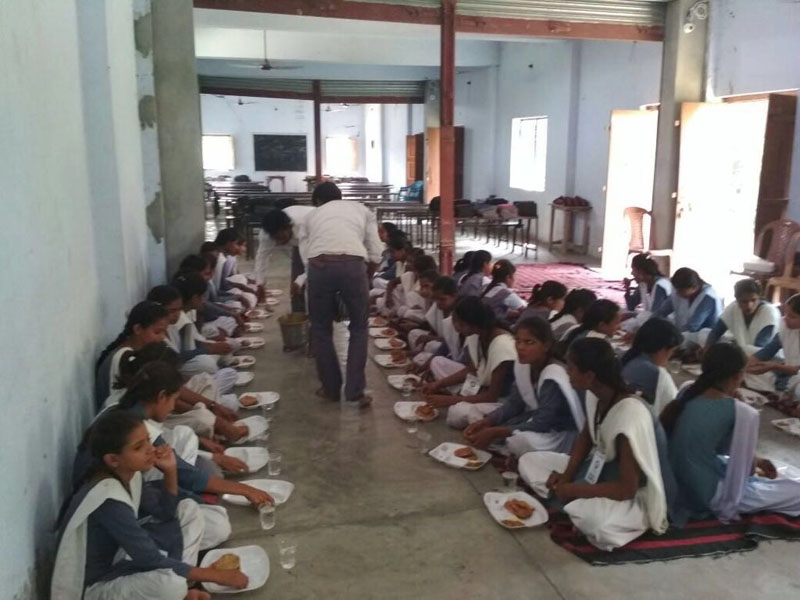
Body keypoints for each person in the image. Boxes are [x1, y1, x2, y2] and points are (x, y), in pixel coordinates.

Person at [52, 411, 247, 600]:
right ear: (113, 460)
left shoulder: (131, 475)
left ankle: (183, 585)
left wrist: (170, 471)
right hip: (98, 585)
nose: (150, 449)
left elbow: (166, 513)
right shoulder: (108, 499)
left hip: (124, 560)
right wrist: (215, 575)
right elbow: (149, 558)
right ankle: (181, 587)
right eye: (139, 447)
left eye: (148, 440)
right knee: (170, 585)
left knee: (188, 509)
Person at [518, 338, 668, 551]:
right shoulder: (596, 395)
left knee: (594, 522)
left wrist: (574, 489)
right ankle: (571, 501)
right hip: (597, 473)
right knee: (529, 461)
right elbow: (586, 437)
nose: (567, 373)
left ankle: (577, 505)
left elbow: (627, 489)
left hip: (632, 495)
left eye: (571, 369)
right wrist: (566, 476)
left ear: (589, 376)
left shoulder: (630, 414)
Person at [663, 343, 800, 522]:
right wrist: (753, 461)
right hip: (706, 494)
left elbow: (712, 445)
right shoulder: (742, 412)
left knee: (726, 463)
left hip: (672, 483)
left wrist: (757, 459)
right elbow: (747, 472)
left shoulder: (687, 389)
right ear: (737, 376)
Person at [297, 181, 383, 406]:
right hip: (353, 264)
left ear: (317, 201)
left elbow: (306, 253)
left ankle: (330, 388)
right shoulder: (362, 210)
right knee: (359, 327)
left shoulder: (311, 216)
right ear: (340, 196)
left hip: (319, 265)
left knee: (320, 329)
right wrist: (367, 274)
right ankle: (355, 392)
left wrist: (312, 275)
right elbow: (376, 250)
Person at [462, 317, 584, 455]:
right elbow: (514, 404)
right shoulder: (523, 366)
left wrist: (497, 431)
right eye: (518, 341)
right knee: (471, 415)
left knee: (518, 442)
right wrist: (488, 421)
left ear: (546, 346)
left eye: (529, 342)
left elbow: (543, 422)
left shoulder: (553, 374)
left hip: (555, 433)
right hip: (530, 418)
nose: (520, 347)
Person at [422, 297, 517, 428]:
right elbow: (471, 370)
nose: (456, 328)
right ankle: (462, 397)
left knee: (457, 412)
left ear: (473, 323)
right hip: (480, 386)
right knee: (437, 361)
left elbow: (492, 396)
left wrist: (449, 400)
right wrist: (438, 384)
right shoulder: (476, 334)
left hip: (500, 399)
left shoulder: (503, 345)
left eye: (460, 324)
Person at [95, 302, 170, 409]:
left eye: (164, 332)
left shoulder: (136, 353)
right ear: (138, 329)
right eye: (157, 332)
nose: (162, 337)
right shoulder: (125, 358)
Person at [255, 204, 315, 312]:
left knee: (317, 280)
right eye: (275, 239)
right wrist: (260, 283)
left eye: (280, 237)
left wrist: (300, 281)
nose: (278, 243)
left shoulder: (305, 224)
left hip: (317, 238)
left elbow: (313, 264)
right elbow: (261, 258)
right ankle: (298, 314)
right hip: (299, 242)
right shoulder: (266, 234)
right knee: (296, 283)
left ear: (288, 227)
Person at [621, 318, 683, 415]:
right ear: (662, 349)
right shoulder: (655, 373)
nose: (670, 356)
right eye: (672, 351)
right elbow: (673, 407)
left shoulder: (627, 358)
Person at [705, 278, 779, 354]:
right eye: (744, 301)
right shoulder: (733, 307)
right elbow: (716, 332)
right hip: (743, 353)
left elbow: (760, 347)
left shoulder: (769, 312)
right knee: (704, 334)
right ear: (737, 300)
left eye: (753, 300)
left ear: (759, 297)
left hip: (764, 356)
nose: (749, 306)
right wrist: (706, 350)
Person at [652, 267, 722, 348]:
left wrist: (671, 337)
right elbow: (662, 311)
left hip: (704, 342)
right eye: (676, 290)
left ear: (694, 287)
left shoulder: (708, 297)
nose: (677, 293)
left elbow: (693, 326)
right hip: (683, 336)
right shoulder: (678, 292)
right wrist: (651, 325)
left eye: (681, 291)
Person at [747, 293, 800, 398]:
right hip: (785, 370)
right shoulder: (785, 326)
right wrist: (745, 365)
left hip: (795, 376)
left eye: (792, 316)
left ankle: (782, 390)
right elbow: (768, 350)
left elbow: (797, 370)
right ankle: (780, 389)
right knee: (746, 351)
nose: (786, 319)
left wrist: (774, 366)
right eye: (785, 314)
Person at [407, 276, 462, 373]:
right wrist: (421, 348)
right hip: (444, 349)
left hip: (457, 358)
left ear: (454, 296)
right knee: (416, 337)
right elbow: (433, 329)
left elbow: (452, 343)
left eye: (442, 299)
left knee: (432, 348)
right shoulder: (438, 306)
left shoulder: (460, 314)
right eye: (436, 299)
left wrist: (431, 339)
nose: (438, 303)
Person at [621, 253, 673, 332]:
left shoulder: (660, 285)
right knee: (623, 315)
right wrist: (627, 288)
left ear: (641, 272)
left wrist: (632, 315)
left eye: (633, 270)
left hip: (663, 324)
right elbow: (631, 306)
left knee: (632, 324)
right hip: (650, 319)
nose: (632, 273)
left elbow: (656, 316)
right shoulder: (643, 284)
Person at [480, 259, 527, 327]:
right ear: (508, 277)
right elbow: (526, 312)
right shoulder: (506, 294)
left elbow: (495, 310)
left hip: (483, 323)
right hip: (495, 327)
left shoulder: (487, 288)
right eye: (515, 275)